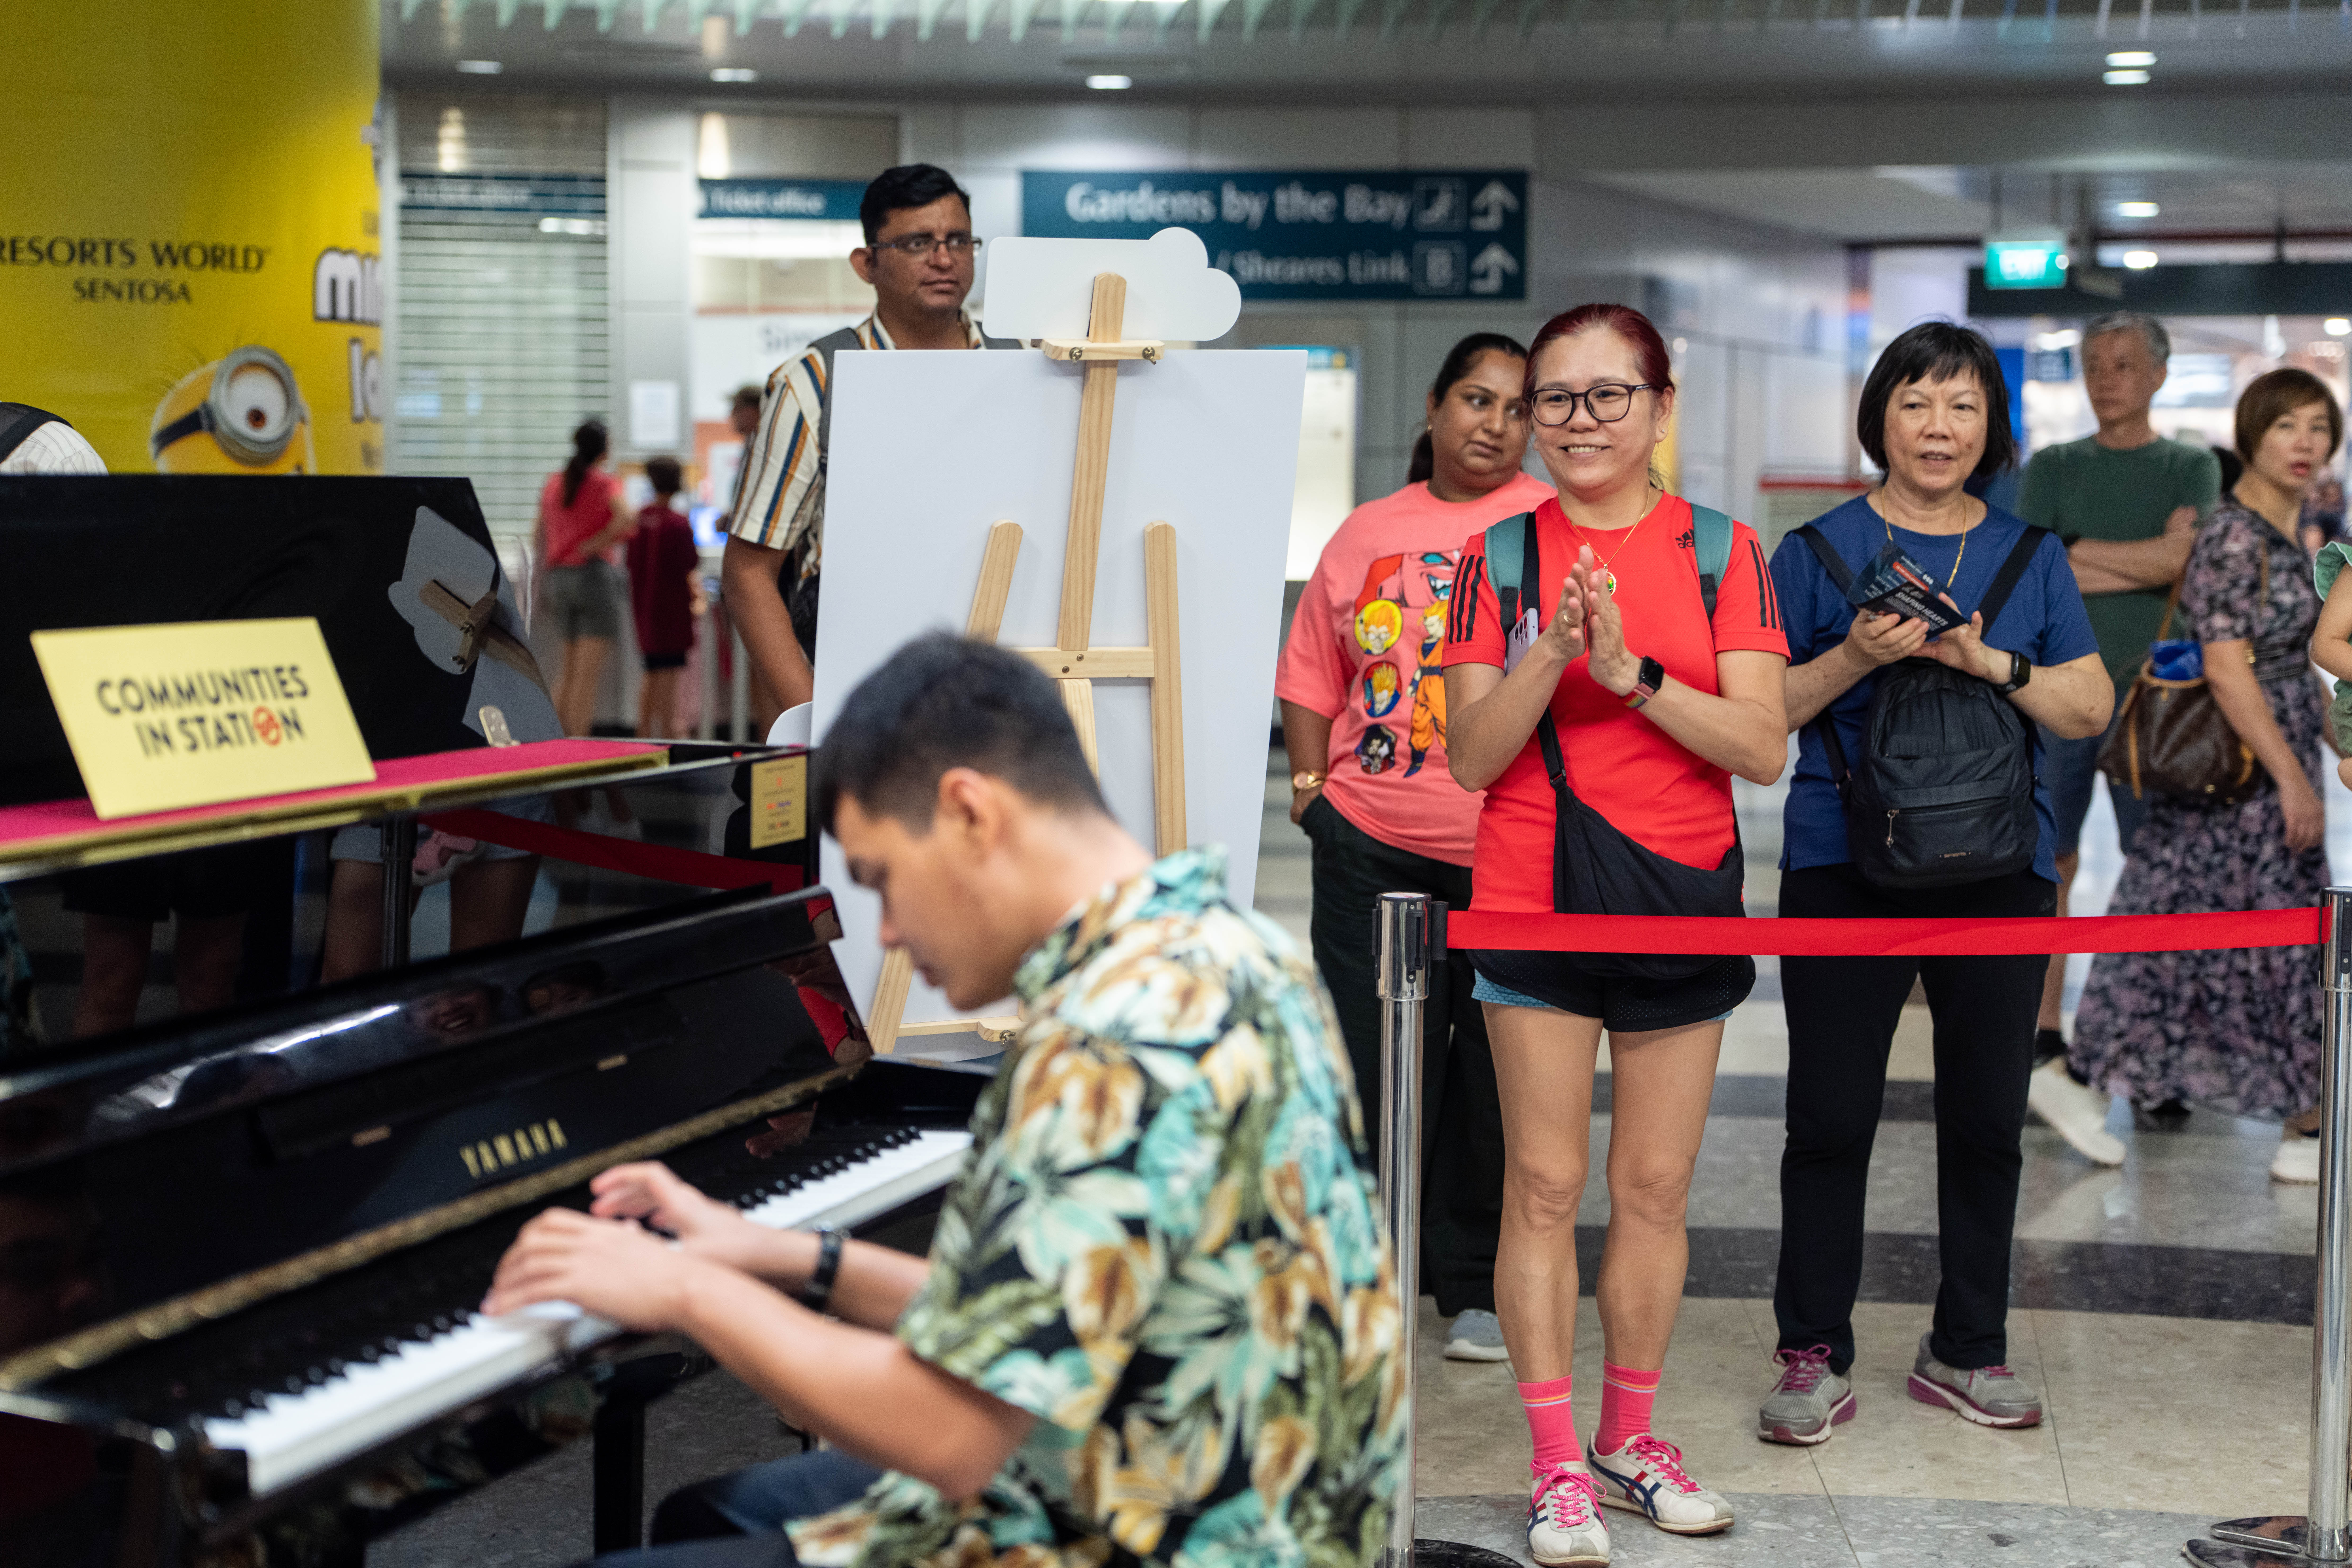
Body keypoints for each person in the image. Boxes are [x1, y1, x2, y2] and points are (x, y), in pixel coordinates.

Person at [482, 634, 1405, 1567]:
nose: (881, 930)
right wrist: (777, 1253)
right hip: (1244, 1496)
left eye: (881, 878)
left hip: (1153, 1528)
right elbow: (1034, 1309)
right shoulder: (1225, 947)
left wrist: (686, 1285)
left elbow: (950, 1434)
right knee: (711, 1514)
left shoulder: (1112, 1039)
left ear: (969, 812)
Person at [1444, 303, 1789, 1562]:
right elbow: (1472, 756)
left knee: (1651, 1188)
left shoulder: (1721, 553)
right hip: (1532, 893)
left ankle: (1629, 1440)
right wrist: (1548, 654)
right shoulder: (1498, 556)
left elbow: (1761, 748)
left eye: (1605, 396)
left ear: (1656, 406)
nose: (1577, 421)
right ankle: (1553, 1466)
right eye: (1553, 398)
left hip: (1679, 890)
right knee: (1539, 1187)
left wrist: (1633, 672)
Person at [1760, 322, 2109, 1446]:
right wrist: (1858, 653)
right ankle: (1810, 1349)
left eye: (1961, 405)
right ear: (1880, 420)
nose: (1938, 427)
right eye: (1915, 403)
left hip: (1999, 869)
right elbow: (1763, 718)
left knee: (1984, 1116)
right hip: (1837, 861)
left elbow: (2089, 707)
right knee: (1827, 1115)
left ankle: (1968, 1342)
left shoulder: (2029, 556)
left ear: (1989, 427)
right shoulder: (1813, 554)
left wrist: (1982, 659)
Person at [1275, 331, 1547, 1368]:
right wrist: (1314, 799)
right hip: (1371, 847)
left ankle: (1472, 1281)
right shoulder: (1367, 531)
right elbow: (1309, 671)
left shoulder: (1545, 526)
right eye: (1476, 399)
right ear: (1434, 404)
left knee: (1493, 1071)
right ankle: (1365, 1269)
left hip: (1510, 852)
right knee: (1369, 1063)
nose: (1494, 422)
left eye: (1517, 406)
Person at [2051, 369, 2342, 1186]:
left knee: (2189, 933)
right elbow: (2224, 666)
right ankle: (2302, 1121)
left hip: (2261, 767)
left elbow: (2288, 665)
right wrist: (2290, 778)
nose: (2305, 442)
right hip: (2238, 776)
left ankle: (2085, 1079)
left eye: (2318, 428)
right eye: (2286, 425)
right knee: (2239, 939)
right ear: (2252, 433)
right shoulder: (2232, 535)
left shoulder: (2286, 537)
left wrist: (2329, 737)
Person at [2014, 313, 2221, 1109]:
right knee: (2048, 861)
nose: (2107, 377)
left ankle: (2150, 1044)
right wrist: (2147, 559)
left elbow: (2186, 561)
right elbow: (2037, 569)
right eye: (2094, 364)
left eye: (2125, 364)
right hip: (2058, 690)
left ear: (2159, 375)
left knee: (2155, 874)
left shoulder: (2188, 463)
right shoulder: (2055, 463)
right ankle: (2042, 1034)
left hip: (2156, 694)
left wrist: (2080, 552)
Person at [721, 165, 1016, 716]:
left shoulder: (1021, 369)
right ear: (867, 264)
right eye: (917, 243)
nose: (944, 258)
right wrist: (814, 721)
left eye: (958, 240)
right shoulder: (814, 382)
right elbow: (747, 571)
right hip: (860, 675)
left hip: (1003, 670)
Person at [536, 419, 637, 737]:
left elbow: (539, 531)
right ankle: (577, 750)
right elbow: (627, 519)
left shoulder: (554, 482)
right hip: (593, 576)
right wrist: (597, 543)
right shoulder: (604, 483)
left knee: (567, 670)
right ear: (604, 448)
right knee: (586, 675)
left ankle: (552, 743)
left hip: (560, 577)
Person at [629, 454, 703, 738]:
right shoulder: (677, 523)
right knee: (669, 674)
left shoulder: (639, 519)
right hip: (672, 613)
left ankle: (645, 731)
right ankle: (670, 733)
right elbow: (690, 564)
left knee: (651, 672)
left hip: (645, 610)